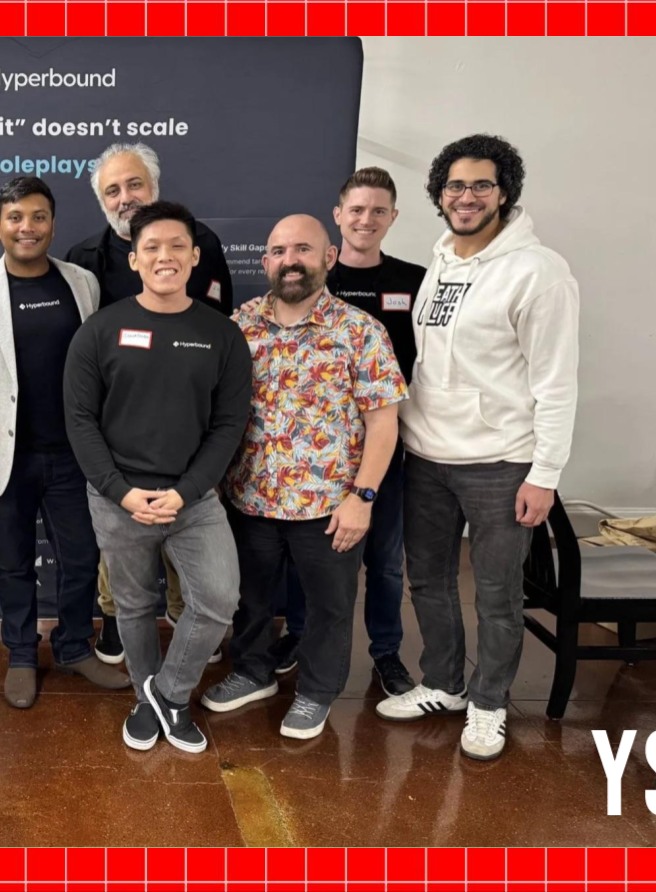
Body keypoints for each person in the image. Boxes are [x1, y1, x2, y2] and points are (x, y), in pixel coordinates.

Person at [0, 143, 234, 664]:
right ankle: (97, 628)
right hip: (108, 439)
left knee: (167, 551)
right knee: (106, 552)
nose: (125, 197)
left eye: (135, 185)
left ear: (154, 188)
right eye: (113, 190)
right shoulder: (85, 261)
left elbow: (222, 333)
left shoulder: (198, 243)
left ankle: (181, 627)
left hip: (185, 430)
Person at [378, 134, 580, 762]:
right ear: (439, 194)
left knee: (496, 594)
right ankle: (444, 683)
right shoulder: (441, 258)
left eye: (481, 185)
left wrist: (544, 473)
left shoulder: (539, 272)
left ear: (504, 192)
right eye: (455, 186)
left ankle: (489, 703)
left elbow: (557, 382)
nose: (466, 197)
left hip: (501, 462)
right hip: (427, 455)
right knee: (429, 582)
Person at [203, 215, 405, 739]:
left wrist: (363, 497)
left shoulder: (361, 331)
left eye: (303, 250)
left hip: (329, 504)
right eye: (279, 251)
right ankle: (253, 673)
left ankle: (316, 692)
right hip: (250, 498)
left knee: (327, 608)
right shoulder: (239, 324)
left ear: (329, 257)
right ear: (265, 262)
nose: (290, 260)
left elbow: (383, 422)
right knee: (251, 600)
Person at [64, 200, 252, 754]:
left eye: (176, 246)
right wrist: (121, 492)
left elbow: (229, 425)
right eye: (151, 247)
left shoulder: (222, 334)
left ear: (194, 257)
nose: (164, 256)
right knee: (133, 606)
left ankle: (167, 694)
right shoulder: (99, 330)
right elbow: (80, 420)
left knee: (218, 598)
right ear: (134, 258)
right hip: (117, 498)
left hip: (194, 500)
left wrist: (185, 492)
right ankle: (145, 703)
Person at [0, 177, 131, 708]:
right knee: (14, 563)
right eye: (15, 217)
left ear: (52, 223)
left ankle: (73, 646)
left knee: (81, 559)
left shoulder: (81, 283)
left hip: (74, 454)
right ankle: (22, 654)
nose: (27, 227)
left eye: (38, 216)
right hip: (4, 455)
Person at [273, 168, 427, 697]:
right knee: (307, 557)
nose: (366, 219)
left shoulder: (415, 281)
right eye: (356, 210)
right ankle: (298, 635)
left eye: (378, 210)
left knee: (384, 560)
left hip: (385, 444)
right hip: (314, 456)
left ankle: (386, 652)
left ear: (393, 217)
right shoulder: (308, 275)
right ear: (338, 217)